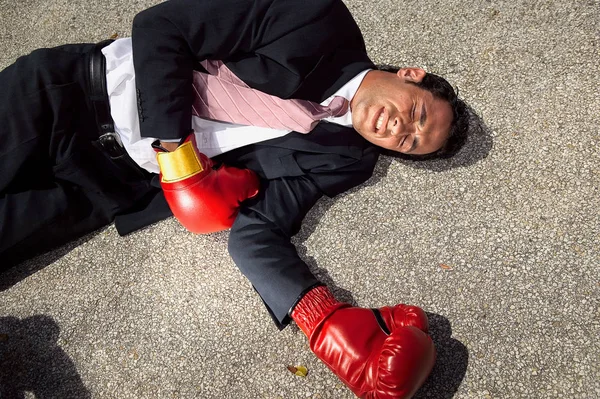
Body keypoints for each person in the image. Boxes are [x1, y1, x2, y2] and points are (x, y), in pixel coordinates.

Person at [0, 0, 469, 397]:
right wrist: (175, 151)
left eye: (409, 141)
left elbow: (260, 227)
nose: (399, 128)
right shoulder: (314, 15)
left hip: (109, 185)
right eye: (417, 113)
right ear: (410, 75)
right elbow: (159, 26)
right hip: (68, 97)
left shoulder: (345, 159)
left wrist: (319, 316)